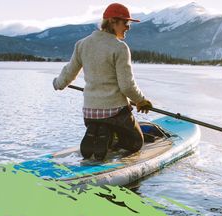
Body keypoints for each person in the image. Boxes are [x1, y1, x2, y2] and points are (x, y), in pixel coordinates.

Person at [53, 3, 153, 160]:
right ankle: (107, 134)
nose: (128, 27)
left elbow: (69, 72)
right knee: (135, 143)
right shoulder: (120, 47)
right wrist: (141, 100)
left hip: (90, 112)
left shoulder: (82, 44)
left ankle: (100, 130)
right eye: (126, 23)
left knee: (103, 123)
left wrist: (58, 84)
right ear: (113, 21)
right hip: (116, 113)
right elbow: (126, 86)